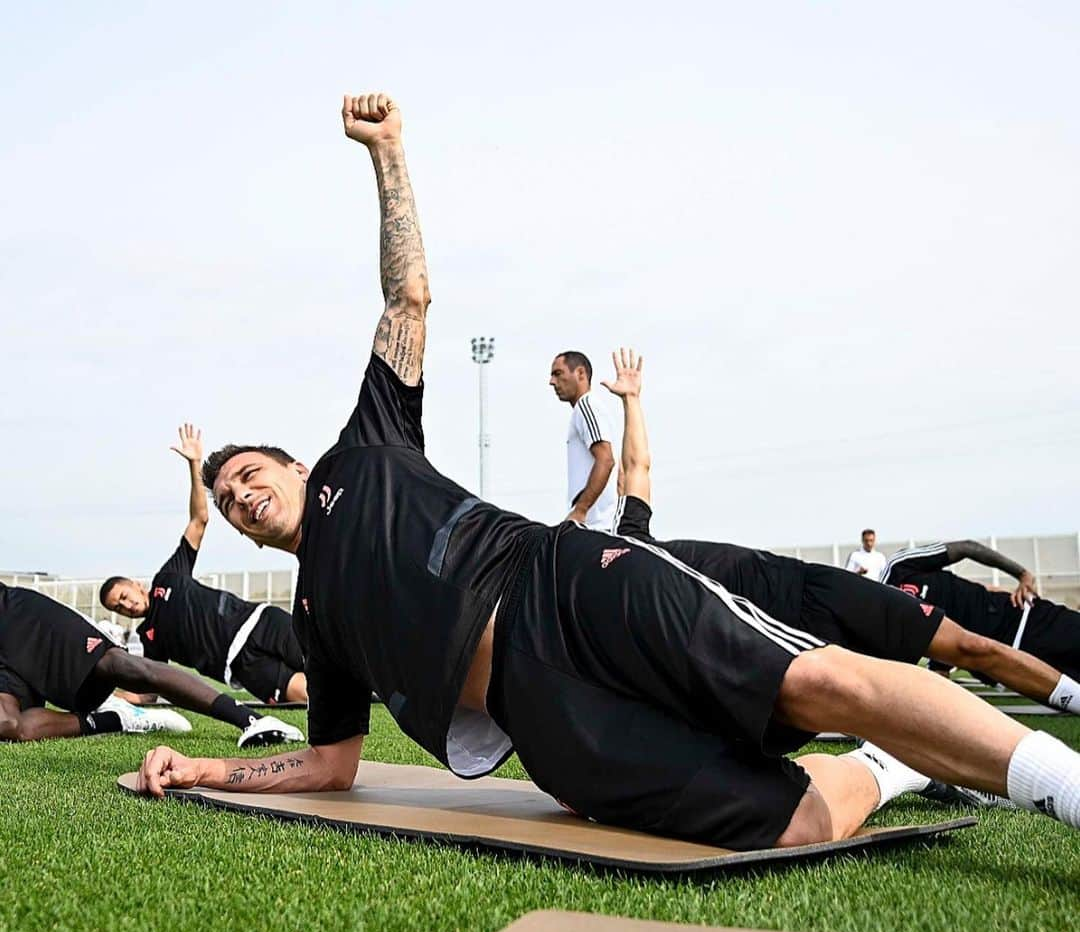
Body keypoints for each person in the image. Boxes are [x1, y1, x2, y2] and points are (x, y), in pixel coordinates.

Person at [134, 92, 1080, 851]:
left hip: (564, 585)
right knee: (787, 823)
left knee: (808, 683)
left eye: (249, 473)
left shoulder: (366, 446)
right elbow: (331, 764)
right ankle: (889, 767)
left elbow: (409, 297)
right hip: (539, 719)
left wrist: (386, 155)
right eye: (226, 500)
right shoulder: (314, 614)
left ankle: (1061, 784)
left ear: (294, 464)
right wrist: (206, 770)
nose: (241, 495)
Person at [601, 349, 1080, 720]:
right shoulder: (631, 623)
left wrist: (632, 401)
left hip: (815, 590)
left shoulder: (631, 539)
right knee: (887, 705)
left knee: (969, 648)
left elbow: (636, 466)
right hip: (787, 647)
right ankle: (928, 770)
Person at [100, 424, 306, 746]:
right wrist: (108, 697)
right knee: (309, 695)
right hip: (240, 666)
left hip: (259, 622)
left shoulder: (168, 577)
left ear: (137, 586)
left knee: (329, 661)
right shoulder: (149, 639)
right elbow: (151, 691)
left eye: (124, 595)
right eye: (118, 607)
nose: (125, 605)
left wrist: (194, 464)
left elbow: (199, 520)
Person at [0, 584, 275, 742]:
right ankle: (113, 720)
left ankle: (249, 719)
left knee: (116, 665)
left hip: (15, 614)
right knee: (8, 726)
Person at [881, 542, 1080, 697]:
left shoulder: (899, 567)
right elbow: (941, 658)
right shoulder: (888, 633)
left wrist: (1022, 574)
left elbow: (967, 547)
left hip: (1022, 619)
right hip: (1009, 668)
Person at [548, 351, 619, 529]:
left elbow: (606, 460)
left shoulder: (586, 407)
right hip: (601, 525)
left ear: (580, 373)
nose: (552, 382)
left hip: (596, 526)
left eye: (558, 374)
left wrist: (580, 510)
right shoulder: (590, 409)